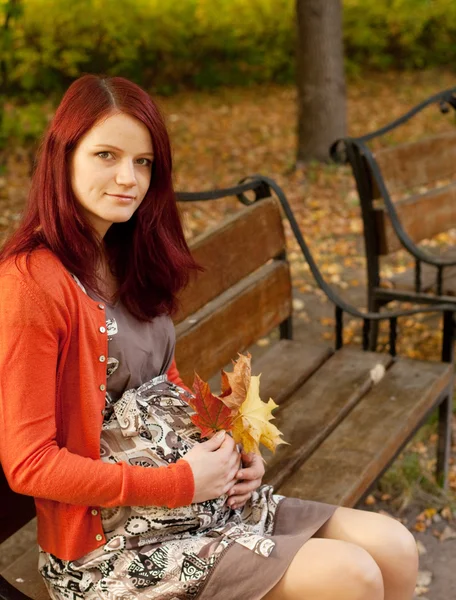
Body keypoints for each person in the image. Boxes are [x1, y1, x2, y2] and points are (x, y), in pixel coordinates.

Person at [0, 75, 418, 600]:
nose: (128, 177)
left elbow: (165, 386)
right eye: (106, 155)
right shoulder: (30, 282)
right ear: (64, 158)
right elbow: (28, 463)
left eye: (143, 161)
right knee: (349, 575)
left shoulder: (124, 254)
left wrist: (234, 452)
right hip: (111, 548)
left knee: (394, 544)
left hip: (198, 505)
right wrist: (180, 482)